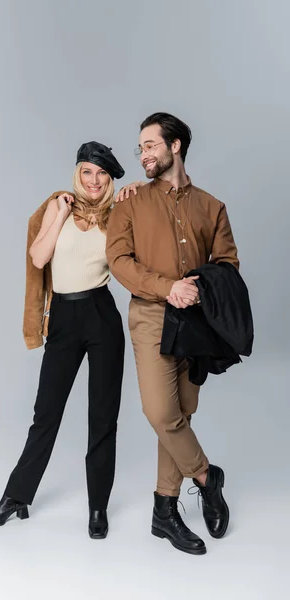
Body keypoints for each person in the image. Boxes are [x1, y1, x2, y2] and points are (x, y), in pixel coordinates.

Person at [0, 142, 139, 539]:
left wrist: (136, 194)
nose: (95, 181)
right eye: (88, 172)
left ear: (111, 179)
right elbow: (38, 257)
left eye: (103, 174)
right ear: (77, 174)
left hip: (102, 316)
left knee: (103, 417)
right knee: (45, 413)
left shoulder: (119, 214)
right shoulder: (58, 205)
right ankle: (17, 497)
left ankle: (98, 507)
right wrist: (63, 213)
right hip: (64, 317)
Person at [106, 112, 239, 555]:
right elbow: (119, 261)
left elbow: (227, 266)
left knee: (183, 410)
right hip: (150, 317)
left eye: (150, 145)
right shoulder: (130, 203)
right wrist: (169, 289)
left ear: (175, 145)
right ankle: (207, 476)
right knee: (161, 412)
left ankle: (164, 510)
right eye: (140, 147)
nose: (142, 154)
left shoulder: (211, 206)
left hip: (198, 324)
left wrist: (199, 291)